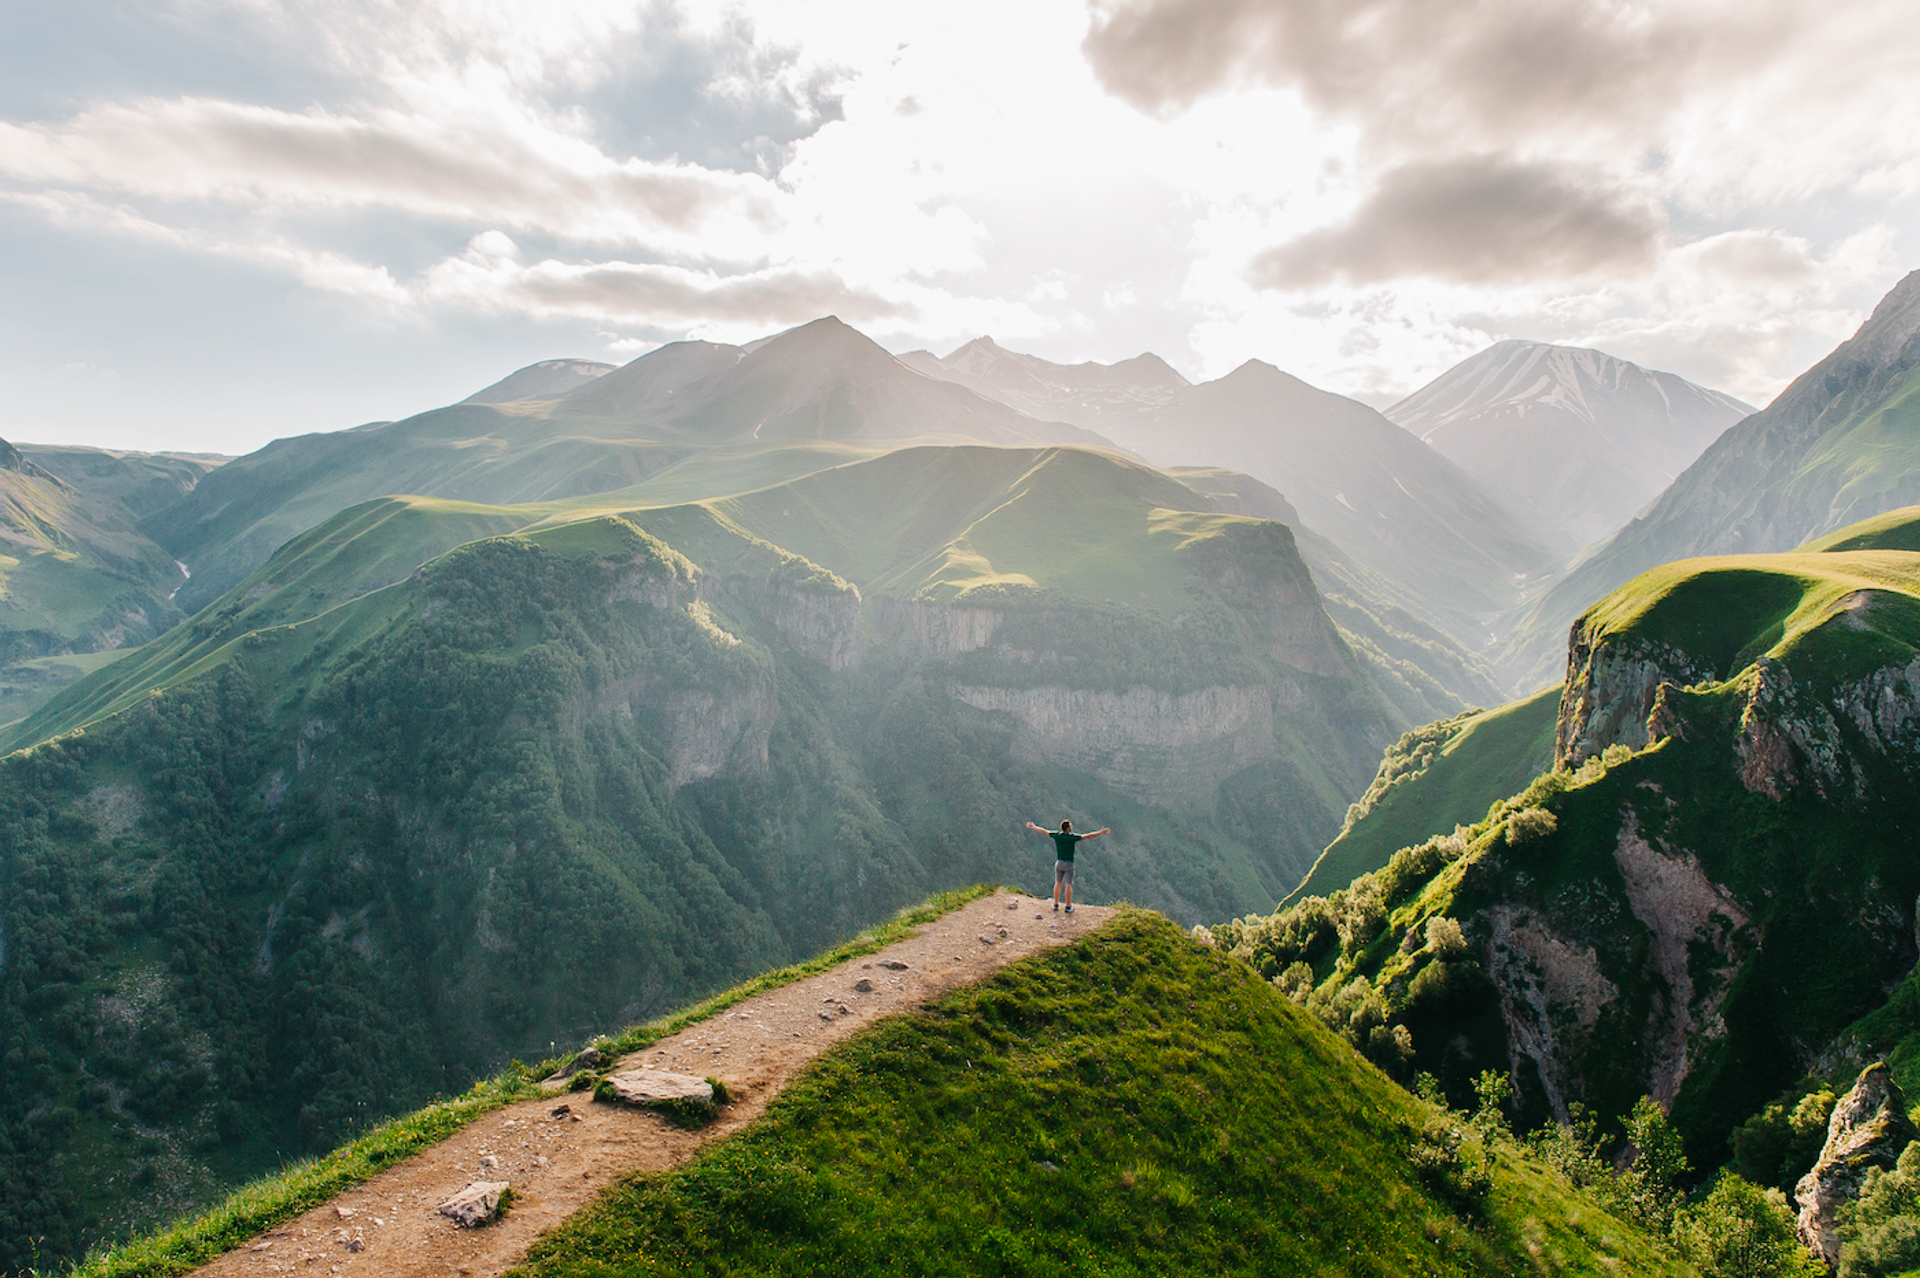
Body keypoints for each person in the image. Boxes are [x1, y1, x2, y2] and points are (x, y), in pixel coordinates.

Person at [1026, 818, 1109, 913]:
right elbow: (1088, 836)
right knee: (1068, 885)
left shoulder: (1057, 835)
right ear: (1068, 828)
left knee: (1058, 883)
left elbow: (1044, 831)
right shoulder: (1071, 837)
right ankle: (1068, 907)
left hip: (1059, 863)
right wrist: (1100, 832)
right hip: (1069, 863)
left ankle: (1055, 904)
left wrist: (1033, 827)